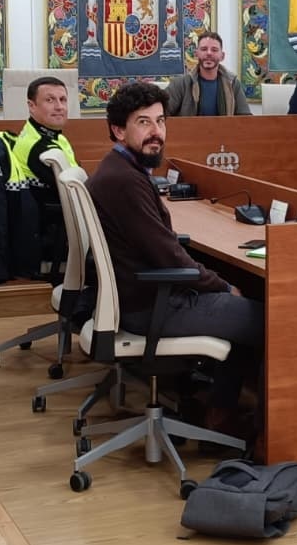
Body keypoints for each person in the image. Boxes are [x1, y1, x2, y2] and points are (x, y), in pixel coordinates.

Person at [88, 82, 264, 437]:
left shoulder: (119, 169)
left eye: (161, 121)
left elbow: (163, 249)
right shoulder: (125, 182)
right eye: (144, 122)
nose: (156, 132)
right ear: (119, 130)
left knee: (249, 300)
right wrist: (223, 286)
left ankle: (217, 406)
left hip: (141, 298)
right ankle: (239, 423)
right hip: (153, 306)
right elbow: (167, 255)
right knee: (271, 319)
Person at [0, 76, 79, 286]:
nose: (59, 107)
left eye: (63, 100)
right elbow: (77, 194)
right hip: (55, 233)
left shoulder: (55, 137)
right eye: (50, 100)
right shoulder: (38, 148)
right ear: (32, 106)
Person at [165, 31, 252, 116]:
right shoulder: (180, 84)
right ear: (196, 54)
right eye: (204, 49)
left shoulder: (233, 84)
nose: (209, 53)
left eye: (214, 50)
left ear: (222, 56)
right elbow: (162, 114)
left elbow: (246, 119)